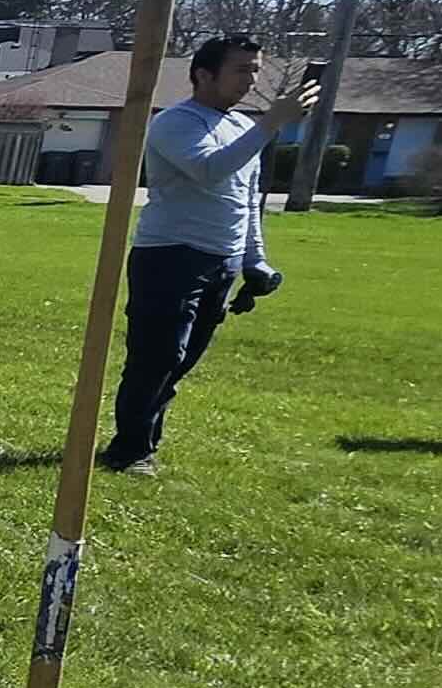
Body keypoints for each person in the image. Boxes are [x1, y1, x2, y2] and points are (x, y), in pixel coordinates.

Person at [103, 34, 317, 477]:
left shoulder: (242, 127)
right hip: (170, 257)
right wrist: (271, 125)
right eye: (241, 70)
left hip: (221, 261)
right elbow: (207, 171)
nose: (250, 80)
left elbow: (246, 199)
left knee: (181, 360)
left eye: (255, 71)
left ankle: (142, 443)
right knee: (157, 357)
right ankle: (130, 451)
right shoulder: (175, 123)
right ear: (204, 74)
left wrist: (255, 261)